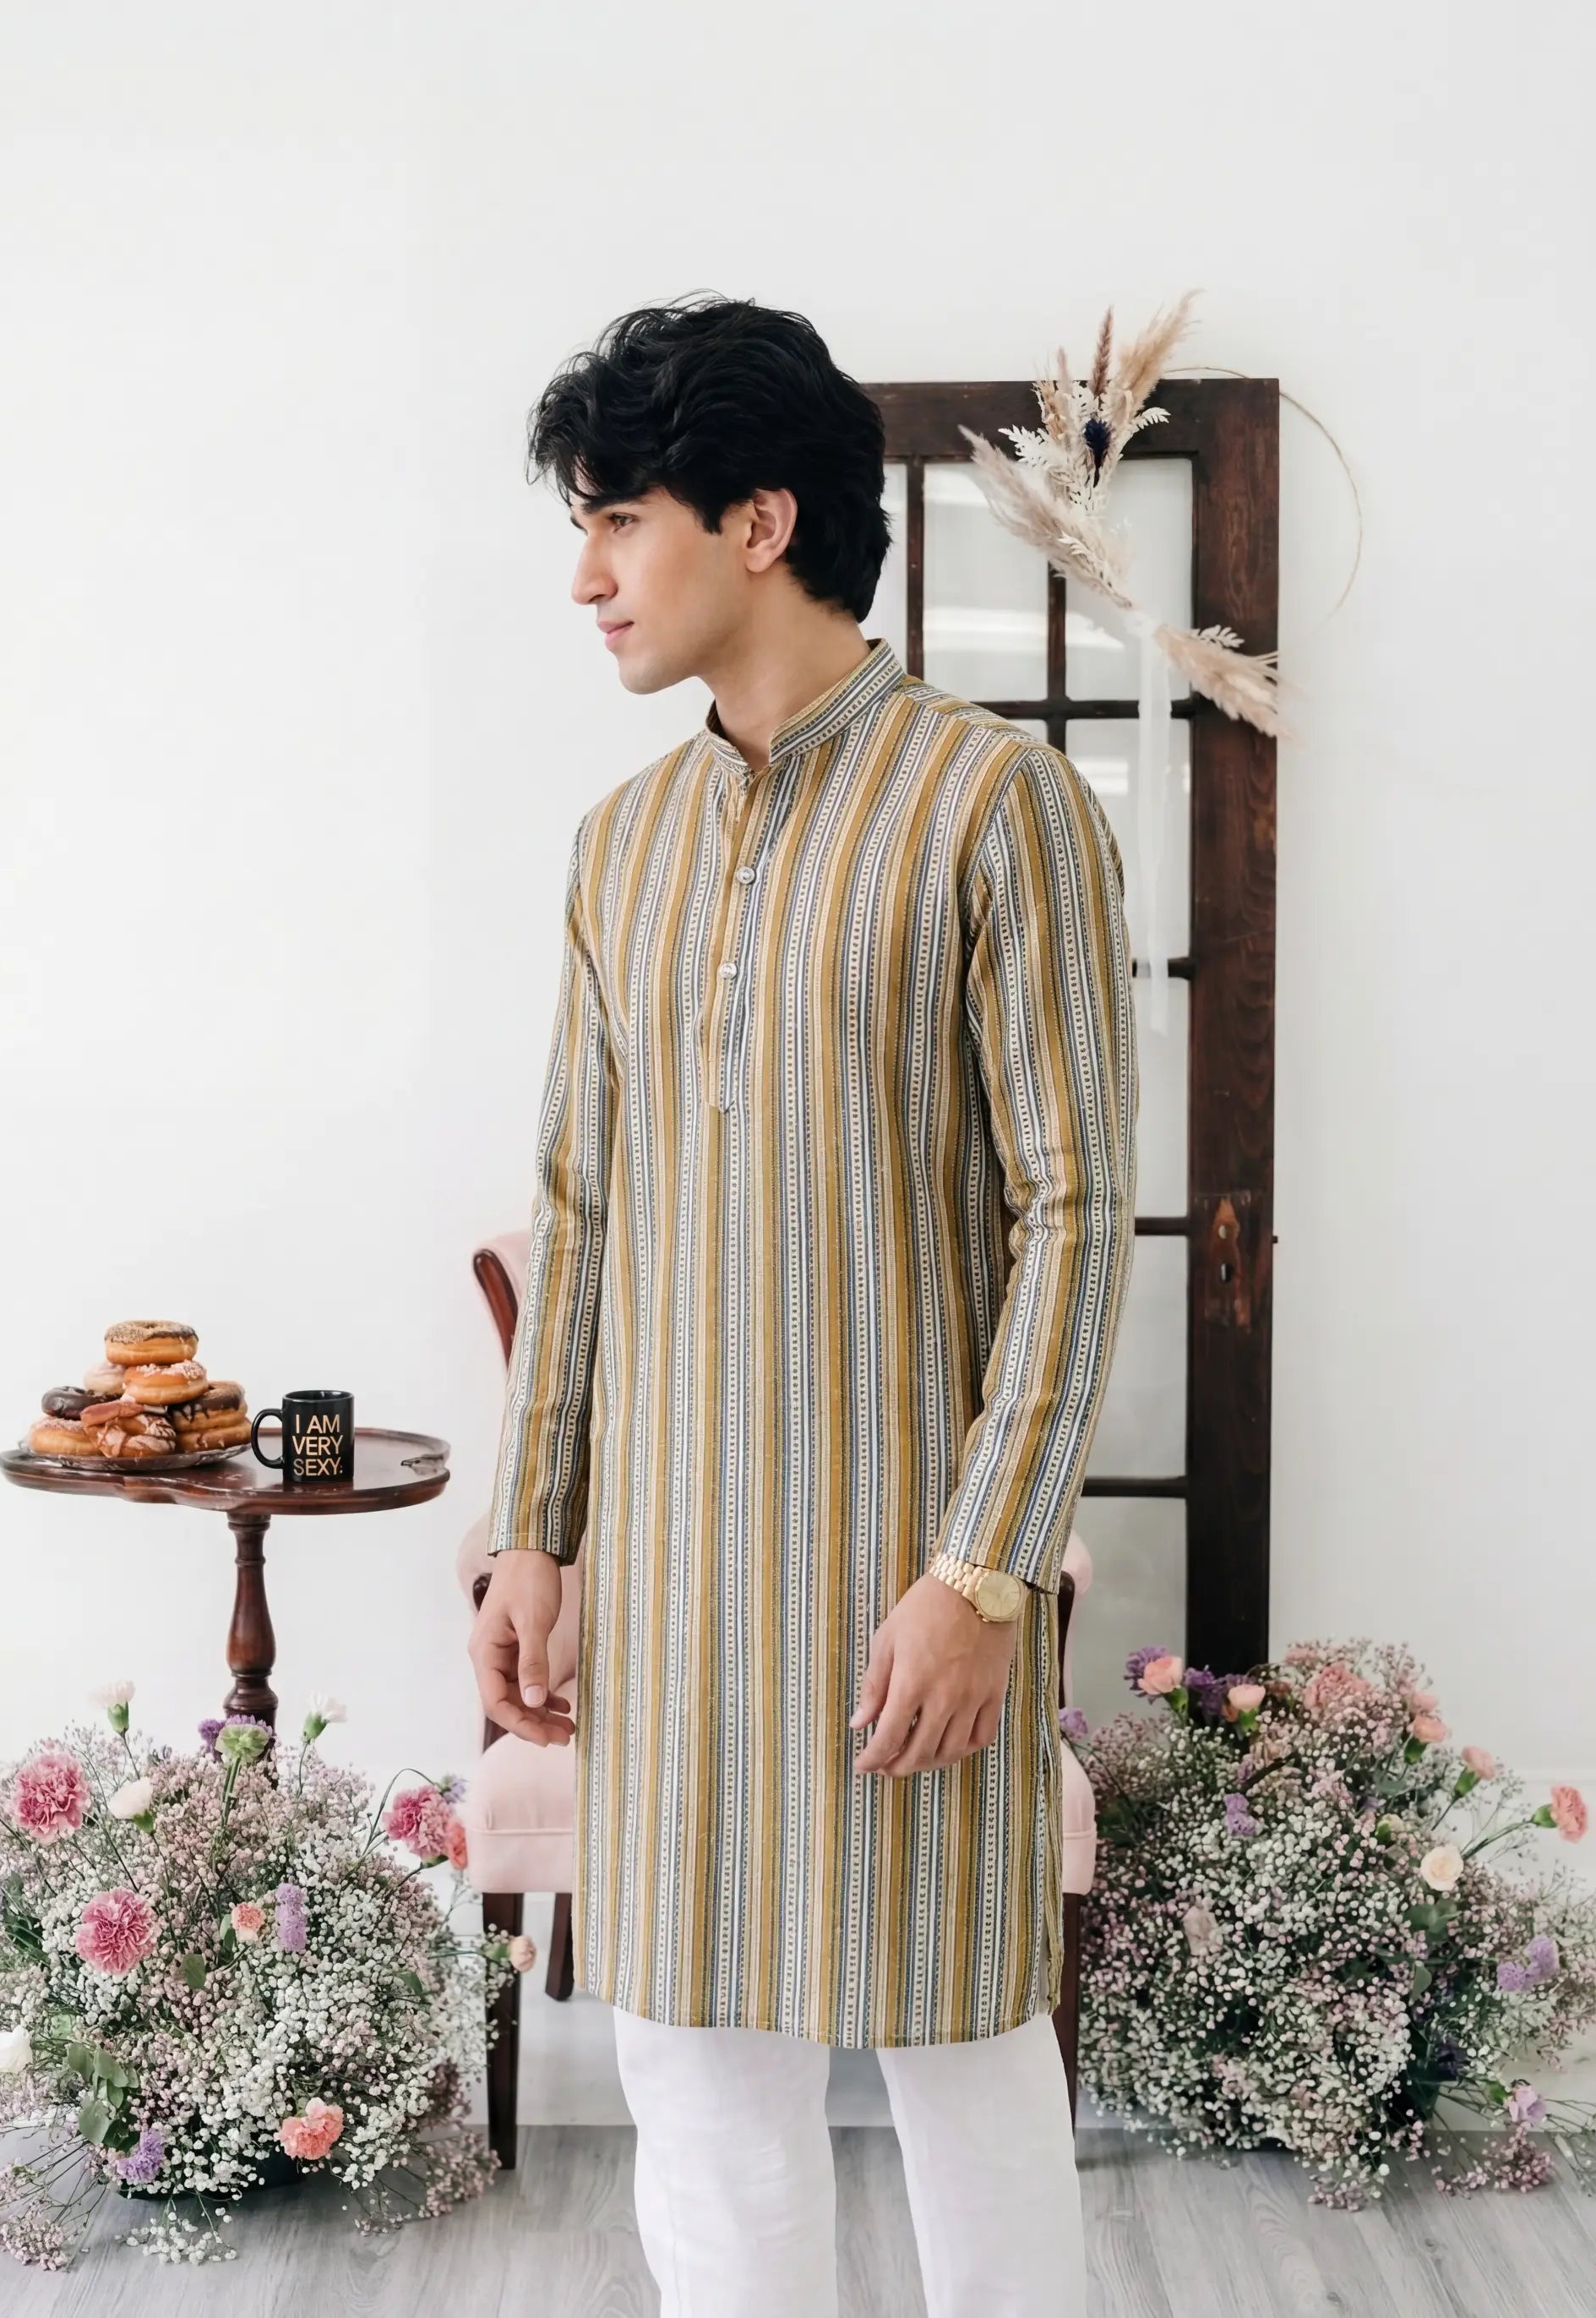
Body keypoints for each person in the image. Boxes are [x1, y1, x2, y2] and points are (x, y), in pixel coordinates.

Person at [470, 293, 1137, 2318]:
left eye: (620, 519)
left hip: (906, 1589)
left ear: (757, 522)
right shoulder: (621, 847)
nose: (587, 576)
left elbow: (1073, 1212)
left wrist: (983, 1575)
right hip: (670, 1593)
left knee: (959, 2049)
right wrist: (532, 1531)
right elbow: (581, 1208)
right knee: (693, 2067)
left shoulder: (997, 806)